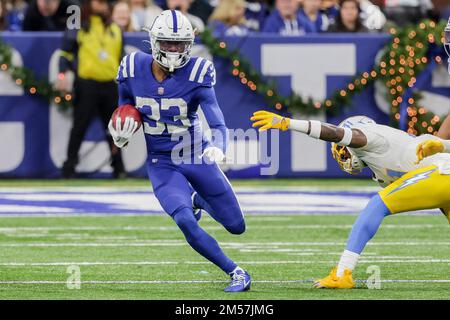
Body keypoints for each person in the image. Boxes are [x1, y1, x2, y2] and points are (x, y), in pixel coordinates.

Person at [109, 10, 251, 292]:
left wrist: (219, 148)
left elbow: (219, 124)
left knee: (236, 226)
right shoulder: (132, 68)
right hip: (162, 162)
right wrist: (121, 127)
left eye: (179, 43)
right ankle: (236, 272)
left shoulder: (198, 72)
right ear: (153, 41)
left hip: (196, 154)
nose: (174, 49)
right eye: (167, 43)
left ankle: (197, 198)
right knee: (184, 220)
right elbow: (125, 105)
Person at [251, 111, 450, 288]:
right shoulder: (379, 159)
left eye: (342, 149)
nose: (342, 152)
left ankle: (342, 273)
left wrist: (289, 123)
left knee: (376, 205)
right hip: (442, 178)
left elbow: (335, 133)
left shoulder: (368, 136)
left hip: (442, 173)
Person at [56, 0, 126, 178]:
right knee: (79, 127)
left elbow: (121, 58)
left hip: (110, 85)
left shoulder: (115, 29)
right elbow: (66, 53)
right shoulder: (78, 26)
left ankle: (119, 168)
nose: (103, 5)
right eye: (99, 2)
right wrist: (62, 75)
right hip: (86, 84)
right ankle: (69, 167)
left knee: (114, 130)